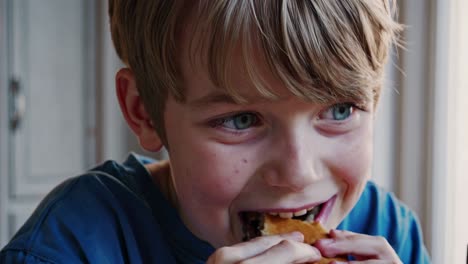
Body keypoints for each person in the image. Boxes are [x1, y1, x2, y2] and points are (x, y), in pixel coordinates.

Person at [1, 0, 431, 263]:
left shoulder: (390, 233)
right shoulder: (68, 247)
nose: (299, 173)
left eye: (339, 110)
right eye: (241, 120)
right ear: (145, 113)